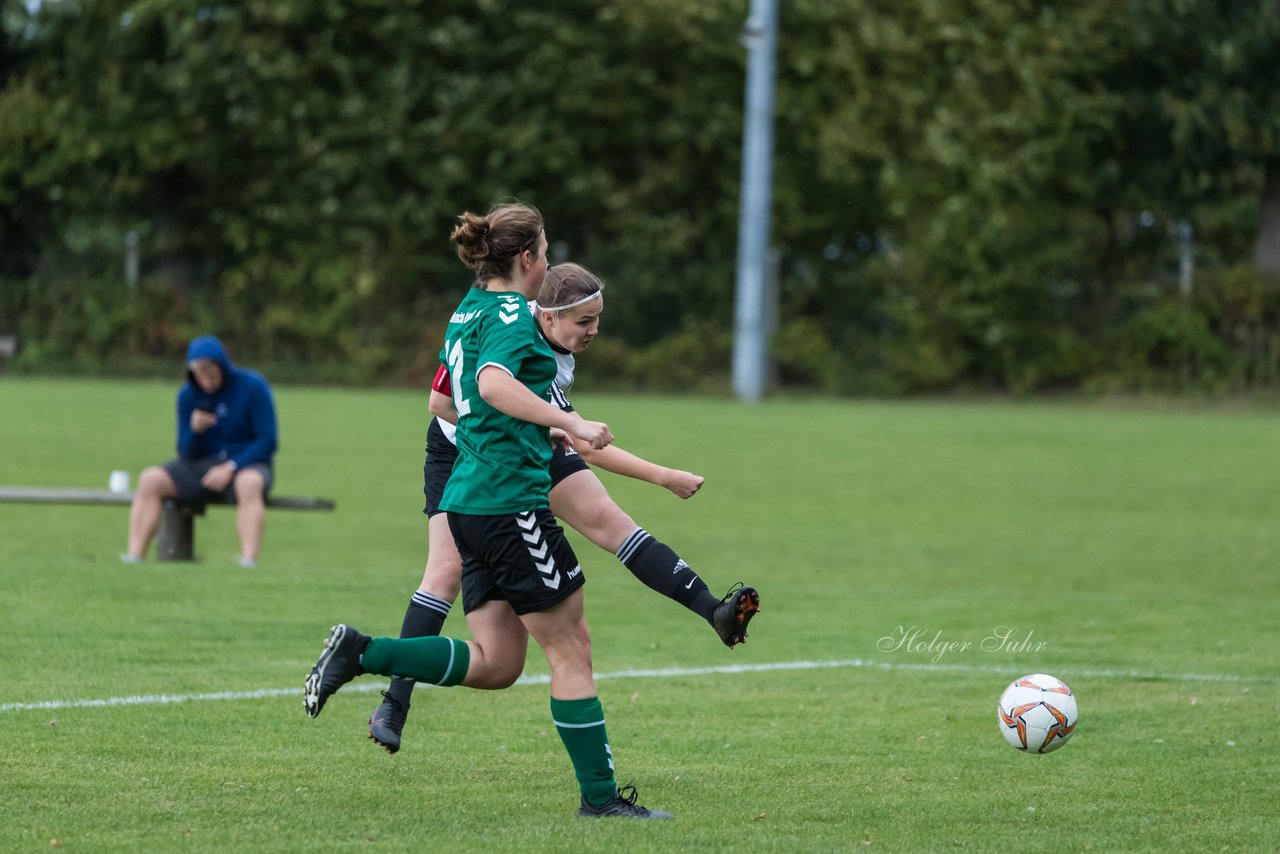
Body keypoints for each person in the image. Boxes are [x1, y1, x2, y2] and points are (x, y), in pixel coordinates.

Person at [305, 201, 673, 819]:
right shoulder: (507, 312)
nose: (549, 261)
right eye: (547, 251)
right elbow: (496, 385)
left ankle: (361, 651)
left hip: (468, 502)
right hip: (508, 504)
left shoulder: (466, 310)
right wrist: (567, 421)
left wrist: (526, 434)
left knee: (499, 663)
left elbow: (446, 403)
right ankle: (601, 800)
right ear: (526, 258)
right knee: (571, 649)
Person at [367, 262, 760, 755]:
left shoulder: (534, 330)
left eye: (598, 318)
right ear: (548, 318)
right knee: (443, 572)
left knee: (609, 521)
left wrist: (542, 429)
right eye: (584, 321)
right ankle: (393, 704)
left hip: (528, 441)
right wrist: (665, 476)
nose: (594, 330)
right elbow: (440, 403)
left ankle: (715, 611)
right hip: (464, 454)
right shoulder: (513, 333)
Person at [123, 335, 277, 568]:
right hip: (202, 466)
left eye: (211, 371)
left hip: (246, 463)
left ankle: (248, 561)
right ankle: (134, 557)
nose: (206, 379)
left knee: (249, 484)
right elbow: (185, 452)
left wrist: (231, 466)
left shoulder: (253, 387)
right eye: (199, 373)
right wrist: (194, 430)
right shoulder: (187, 396)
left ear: (222, 365)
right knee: (150, 478)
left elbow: (267, 441)